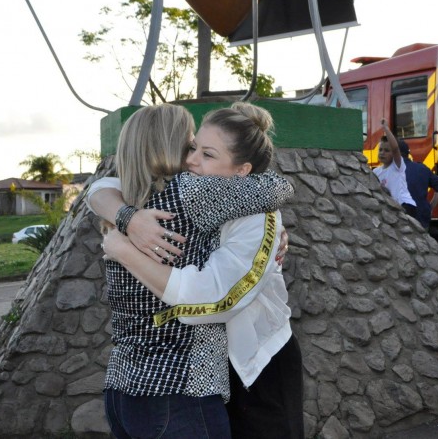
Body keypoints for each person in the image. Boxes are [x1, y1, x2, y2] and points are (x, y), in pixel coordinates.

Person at [86, 103, 294, 439]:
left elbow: (95, 189)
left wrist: (122, 230)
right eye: (190, 147)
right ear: (170, 147)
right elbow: (278, 188)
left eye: (204, 152)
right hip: (181, 387)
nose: (192, 160)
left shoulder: (128, 199)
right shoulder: (190, 193)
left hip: (125, 389)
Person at [372, 119, 417, 219]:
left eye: (387, 150)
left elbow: (395, 148)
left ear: (394, 154)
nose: (382, 153)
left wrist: (386, 128)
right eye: (380, 150)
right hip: (391, 208)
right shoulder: (375, 171)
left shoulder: (397, 166)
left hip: (405, 205)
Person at [398, 139, 438, 230]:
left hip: (399, 221)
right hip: (421, 218)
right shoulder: (422, 168)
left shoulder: (389, 172)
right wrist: (430, 207)